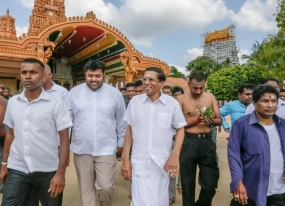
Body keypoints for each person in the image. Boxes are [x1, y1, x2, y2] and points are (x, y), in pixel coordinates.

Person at [0, 58, 72, 206]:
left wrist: (60, 173)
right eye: (24, 72)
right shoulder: (13, 102)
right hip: (18, 168)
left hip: (47, 169)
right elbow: (10, 134)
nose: (27, 76)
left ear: (43, 76)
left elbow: (64, 139)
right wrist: (5, 164)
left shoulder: (56, 103)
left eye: (33, 72)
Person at [121, 67, 186, 206]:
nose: (146, 82)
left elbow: (180, 129)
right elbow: (129, 131)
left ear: (161, 83)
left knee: (159, 201)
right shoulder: (135, 102)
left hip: (162, 163)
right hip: (140, 162)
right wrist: (125, 159)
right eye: (145, 79)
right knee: (139, 201)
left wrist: (175, 155)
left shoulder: (171, 104)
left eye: (151, 79)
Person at [64, 59, 126, 206]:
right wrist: (65, 146)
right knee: (86, 189)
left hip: (106, 148)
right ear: (85, 74)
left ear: (103, 75)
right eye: (90, 76)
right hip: (81, 149)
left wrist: (121, 143)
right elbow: (66, 123)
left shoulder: (114, 94)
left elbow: (122, 121)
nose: (94, 79)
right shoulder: (74, 93)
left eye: (97, 76)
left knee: (105, 187)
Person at [228, 84, 285, 206]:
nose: (270, 105)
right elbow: (233, 154)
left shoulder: (283, 125)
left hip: (279, 190)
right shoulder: (242, 124)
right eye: (265, 101)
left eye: (274, 101)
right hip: (251, 188)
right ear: (254, 103)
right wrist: (237, 181)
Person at [177, 71, 222, 206]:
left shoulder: (210, 97)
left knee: (210, 184)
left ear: (205, 84)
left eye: (201, 87)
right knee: (187, 182)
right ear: (188, 83)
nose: (198, 90)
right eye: (195, 87)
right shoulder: (181, 99)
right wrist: (196, 119)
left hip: (207, 142)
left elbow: (219, 120)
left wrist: (211, 120)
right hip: (188, 141)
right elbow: (177, 124)